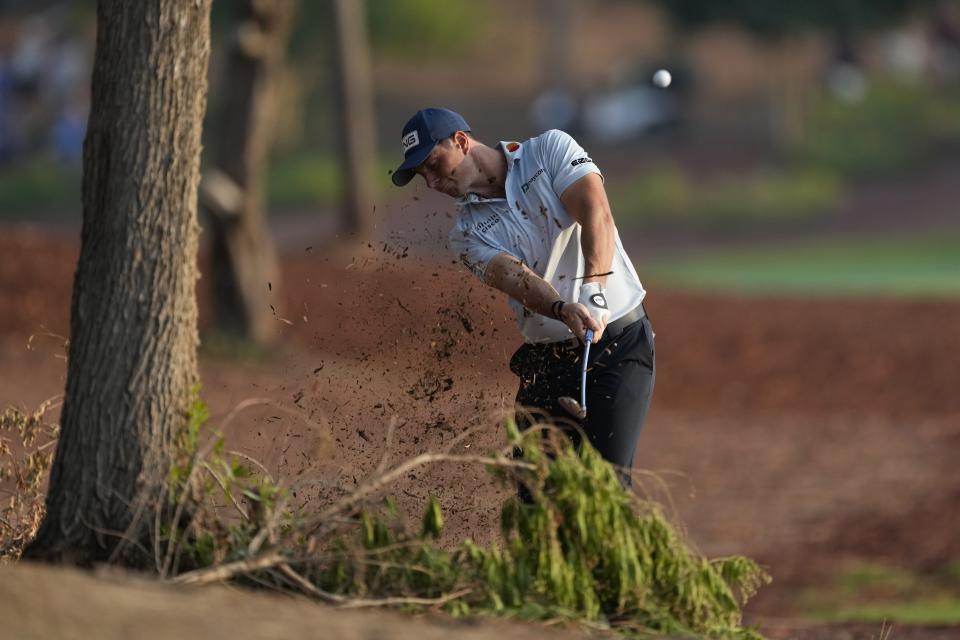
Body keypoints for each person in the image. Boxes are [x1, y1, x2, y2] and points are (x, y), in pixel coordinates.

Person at [391, 107, 655, 488]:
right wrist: (563, 308)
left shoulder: (548, 150)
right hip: (547, 361)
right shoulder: (465, 234)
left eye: (434, 164)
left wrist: (593, 288)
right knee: (533, 492)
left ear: (461, 142)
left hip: (618, 345)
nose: (432, 182)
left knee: (606, 488)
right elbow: (515, 277)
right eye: (422, 176)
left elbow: (596, 212)